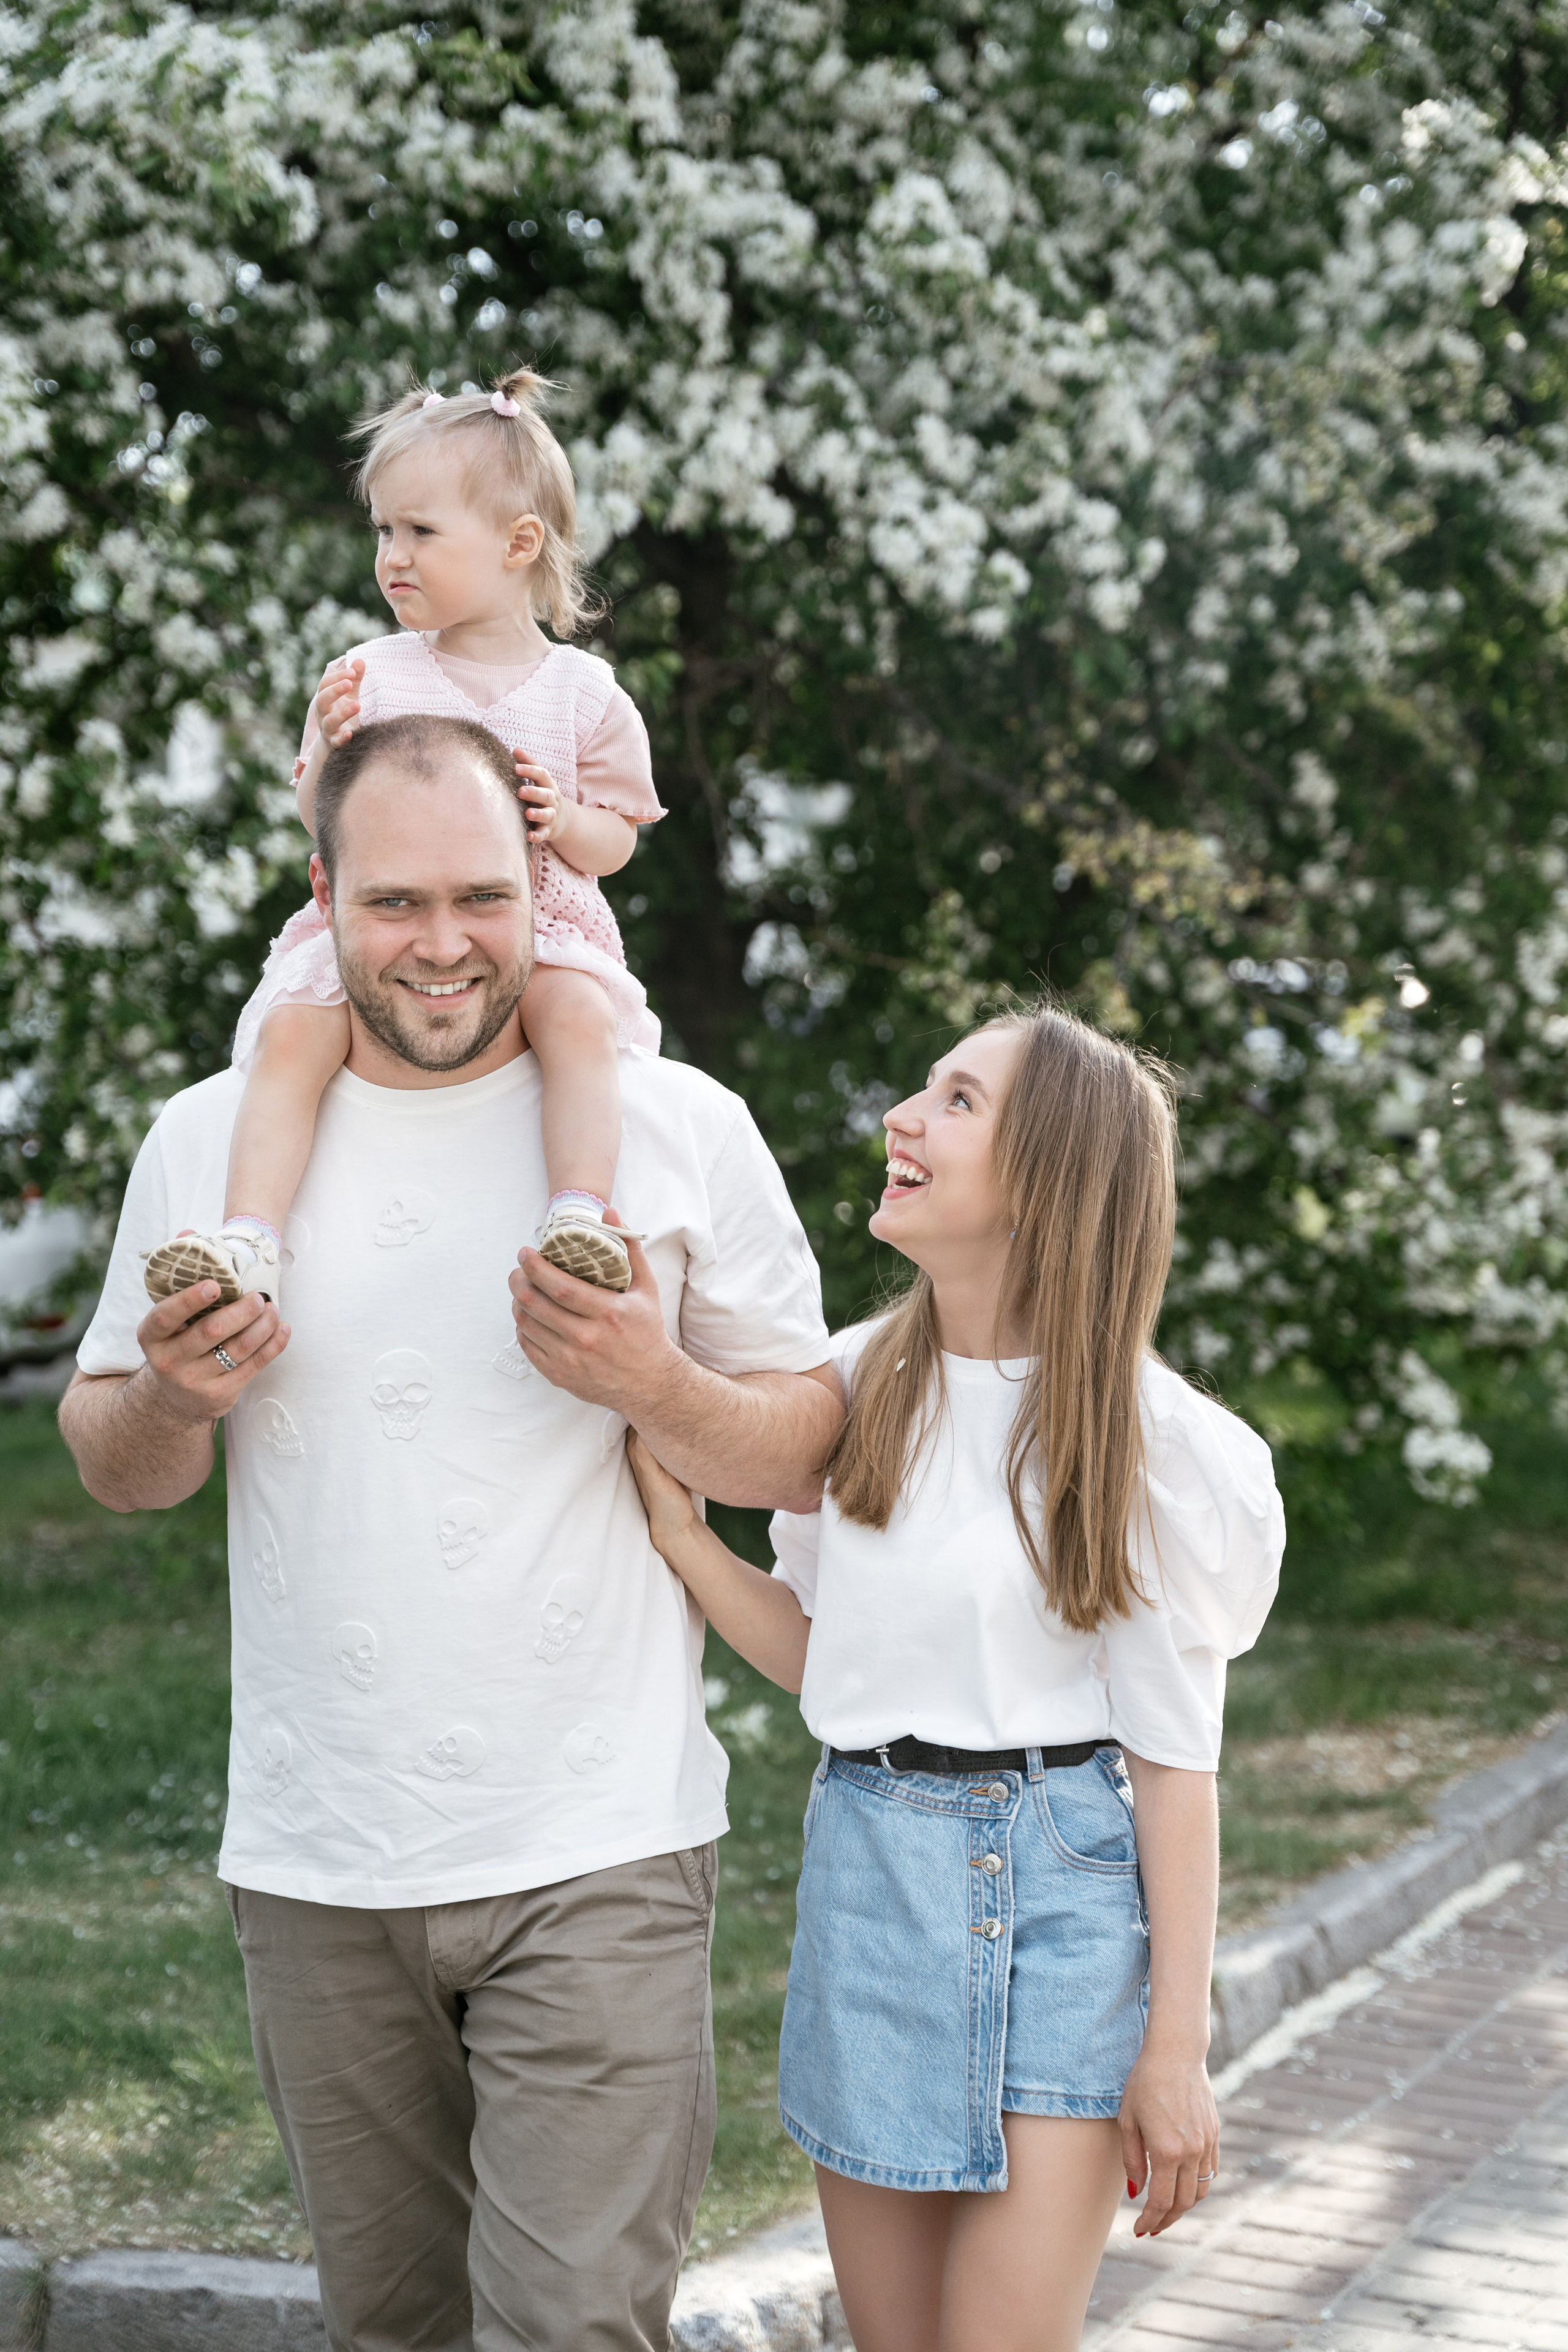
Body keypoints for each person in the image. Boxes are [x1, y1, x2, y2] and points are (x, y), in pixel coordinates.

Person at [59, 711, 842, 2352]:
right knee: (390, 2331)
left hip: (599, 1841)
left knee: (570, 2329)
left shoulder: (676, 1124)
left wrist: (654, 1383)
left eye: (482, 898)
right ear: (324, 892)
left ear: (543, 884)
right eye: (396, 902)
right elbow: (118, 1461)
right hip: (317, 1855)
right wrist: (177, 1402)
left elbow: (807, 1452)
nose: (442, 946)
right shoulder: (211, 1143)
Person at [629, 1001, 1285, 2352]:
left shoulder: (1147, 1446)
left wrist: (1175, 2050)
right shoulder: (852, 1391)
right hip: (872, 1887)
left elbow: (1173, 1763)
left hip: (1062, 1900)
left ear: (1046, 1176)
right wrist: (689, 1550)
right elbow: (833, 1662)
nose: (901, 1120)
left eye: (955, 1101)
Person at [143, 367, 660, 1311]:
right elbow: (326, 821)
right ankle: (248, 1236)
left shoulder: (584, 693)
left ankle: (580, 1212)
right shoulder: (368, 675)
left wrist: (568, 822)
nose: (393, 555)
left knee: (578, 1024)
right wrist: (319, 750)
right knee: (295, 1038)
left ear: (518, 543)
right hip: (381, 941)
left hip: (538, 932)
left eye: (421, 531)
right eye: (383, 530)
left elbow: (620, 839)